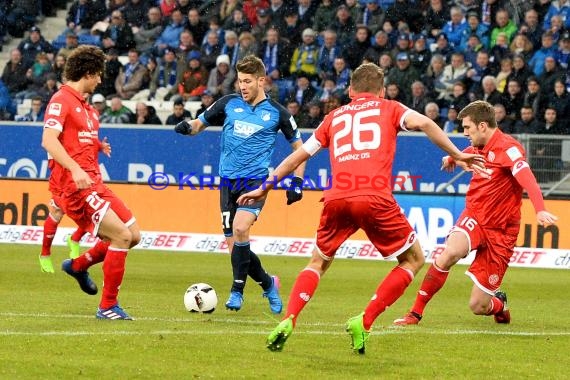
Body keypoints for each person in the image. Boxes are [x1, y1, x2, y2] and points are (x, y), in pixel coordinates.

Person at [236, 63, 485, 354]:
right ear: (381, 90)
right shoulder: (389, 108)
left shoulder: (334, 117)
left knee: (317, 262)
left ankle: (290, 318)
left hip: (337, 197)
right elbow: (426, 124)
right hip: (374, 196)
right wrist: (458, 153)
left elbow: (298, 156)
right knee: (413, 259)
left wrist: (266, 186)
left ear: (351, 90)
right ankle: (364, 321)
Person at [393, 100, 558, 327]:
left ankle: (499, 305)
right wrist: (452, 157)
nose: (465, 133)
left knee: (478, 306)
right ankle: (415, 313)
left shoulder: (509, 149)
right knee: (449, 253)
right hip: (475, 216)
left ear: (482, 126)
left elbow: (527, 177)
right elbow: (470, 152)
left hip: (501, 232)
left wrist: (540, 210)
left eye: (467, 128)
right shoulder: (479, 147)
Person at [174, 55, 306, 314]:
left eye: (247, 81)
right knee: (236, 246)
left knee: (241, 228)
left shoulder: (278, 113)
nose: (242, 86)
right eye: (239, 81)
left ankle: (237, 291)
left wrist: (297, 181)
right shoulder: (228, 104)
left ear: (261, 81)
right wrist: (185, 127)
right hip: (227, 182)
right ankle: (268, 284)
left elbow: (300, 149)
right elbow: (198, 125)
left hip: (255, 182)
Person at [41, 45, 141, 320]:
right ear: (87, 72)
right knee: (120, 236)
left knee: (134, 236)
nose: (99, 80)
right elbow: (48, 140)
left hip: (96, 183)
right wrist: (74, 169)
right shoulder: (61, 99)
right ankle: (107, 306)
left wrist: (97, 146)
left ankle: (78, 265)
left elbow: (78, 142)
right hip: (77, 189)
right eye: (97, 75)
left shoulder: (88, 109)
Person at [39, 93, 112, 273]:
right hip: (63, 174)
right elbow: (54, 139)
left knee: (92, 211)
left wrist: (99, 146)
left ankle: (75, 239)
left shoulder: (92, 114)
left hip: (89, 171)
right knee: (57, 212)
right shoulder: (63, 106)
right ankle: (45, 254)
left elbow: (86, 138)